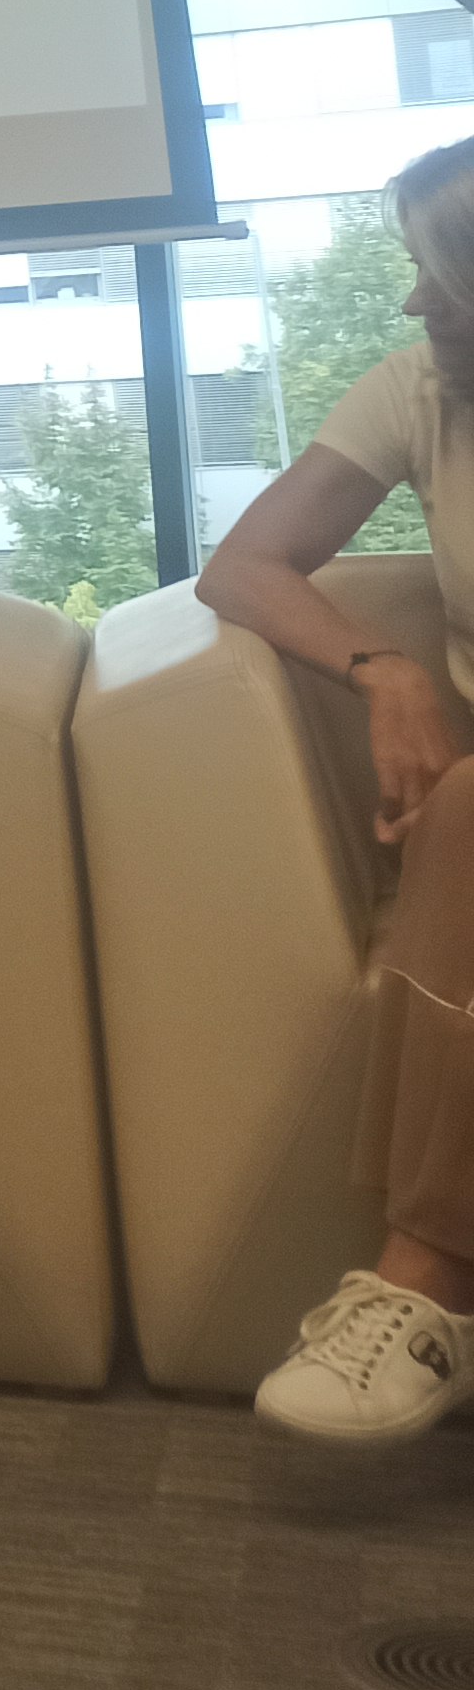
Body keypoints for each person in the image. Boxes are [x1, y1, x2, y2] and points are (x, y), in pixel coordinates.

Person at [202, 136, 474, 1443]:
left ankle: (426, 1283)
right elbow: (245, 564)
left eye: (437, 276)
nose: (415, 302)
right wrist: (387, 671)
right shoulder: (422, 388)